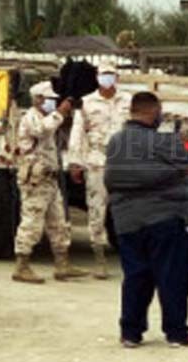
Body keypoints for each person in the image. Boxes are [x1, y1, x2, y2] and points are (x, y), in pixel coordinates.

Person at [105, 91, 188, 348]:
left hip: (127, 222)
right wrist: (169, 174)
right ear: (153, 112)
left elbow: (113, 180)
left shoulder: (115, 142)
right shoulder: (166, 141)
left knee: (135, 277)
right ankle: (177, 334)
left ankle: (130, 333)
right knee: (173, 278)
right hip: (166, 219)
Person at [12, 81, 89, 283]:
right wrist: (59, 113)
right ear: (38, 99)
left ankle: (62, 264)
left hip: (50, 179)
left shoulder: (47, 118)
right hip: (36, 180)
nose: (53, 103)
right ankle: (22, 265)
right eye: (49, 99)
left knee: (59, 223)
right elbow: (41, 131)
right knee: (32, 222)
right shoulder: (31, 118)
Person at [68, 63, 131, 279]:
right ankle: (99, 258)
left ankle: (131, 254)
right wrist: (75, 162)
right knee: (97, 209)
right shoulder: (86, 103)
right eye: (103, 75)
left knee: (127, 209)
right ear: (97, 77)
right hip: (96, 160)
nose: (107, 79)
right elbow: (78, 134)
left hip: (124, 161)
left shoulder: (128, 101)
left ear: (117, 77)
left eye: (110, 75)